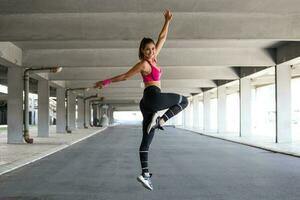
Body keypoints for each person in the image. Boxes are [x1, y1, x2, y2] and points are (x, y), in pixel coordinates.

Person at [94, 10, 188, 191]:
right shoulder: (145, 64)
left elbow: (162, 38)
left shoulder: (153, 57)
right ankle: (161, 120)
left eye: (152, 49)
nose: (152, 51)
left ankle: (145, 175)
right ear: (142, 52)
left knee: (147, 139)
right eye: (148, 50)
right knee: (184, 101)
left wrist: (167, 21)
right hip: (153, 96)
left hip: (147, 103)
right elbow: (125, 76)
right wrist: (105, 82)